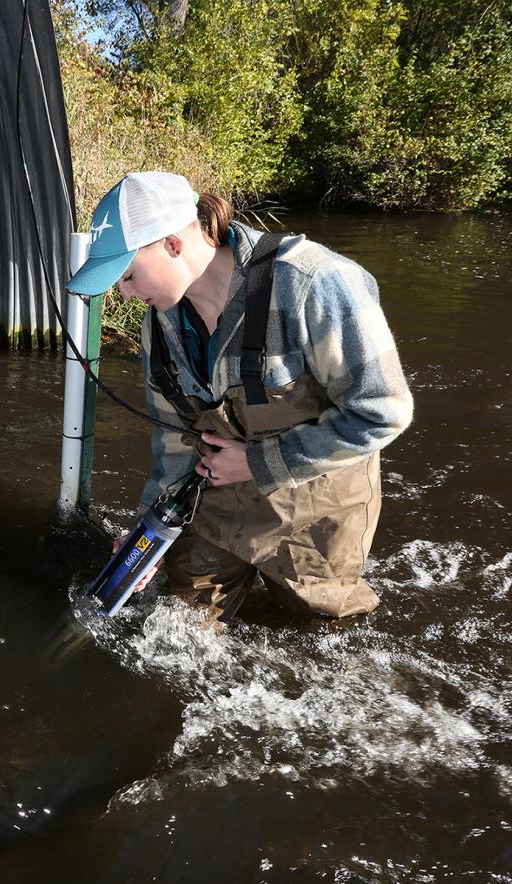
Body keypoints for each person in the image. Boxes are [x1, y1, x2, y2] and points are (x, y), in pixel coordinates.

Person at [67, 171, 413, 624]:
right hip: (217, 507)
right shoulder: (159, 326)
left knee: (323, 631)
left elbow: (382, 413)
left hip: (317, 512)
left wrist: (256, 463)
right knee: (179, 628)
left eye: (129, 276)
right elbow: (174, 444)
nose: (125, 293)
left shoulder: (315, 282)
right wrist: (146, 533)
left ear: (173, 244)